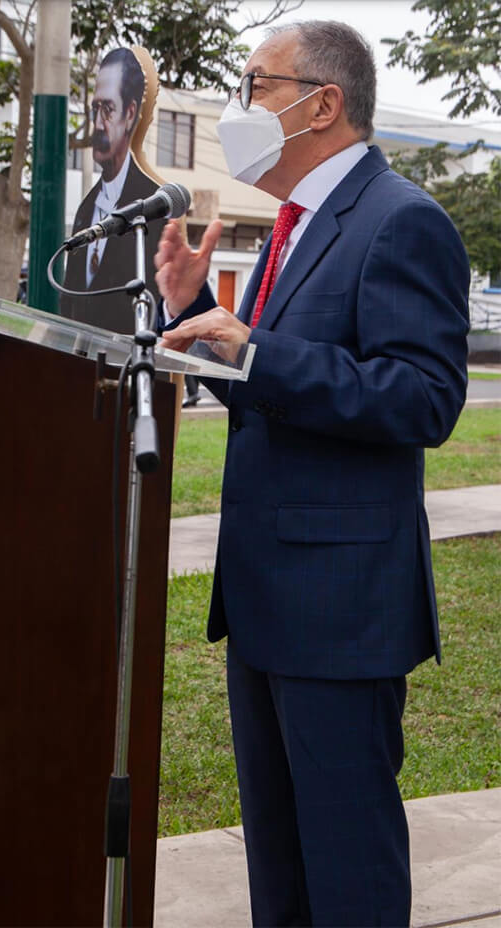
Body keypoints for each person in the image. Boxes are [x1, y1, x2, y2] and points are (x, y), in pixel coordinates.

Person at [156, 21, 469, 927]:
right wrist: (198, 314)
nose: (241, 106)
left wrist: (253, 349)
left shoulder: (402, 219)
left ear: (322, 103)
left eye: (257, 84)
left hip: (340, 607)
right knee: (280, 862)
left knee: (348, 864)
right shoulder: (293, 224)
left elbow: (424, 399)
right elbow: (272, 381)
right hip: (262, 594)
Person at [61, 47, 167, 334]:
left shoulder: (155, 205)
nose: (97, 124)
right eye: (95, 109)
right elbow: (68, 306)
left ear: (130, 113)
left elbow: (161, 311)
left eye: (107, 110)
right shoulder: (86, 209)